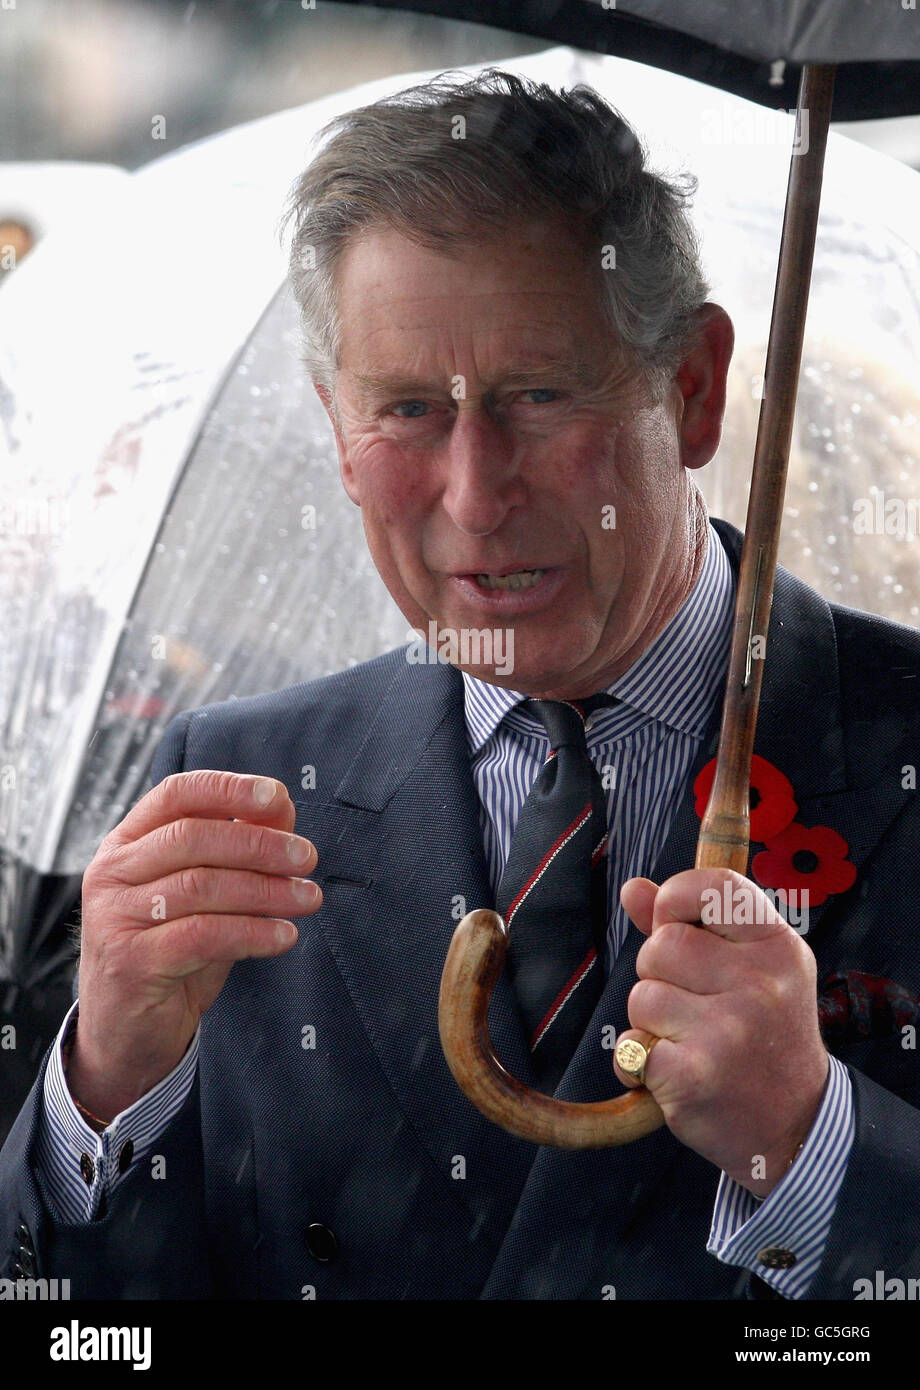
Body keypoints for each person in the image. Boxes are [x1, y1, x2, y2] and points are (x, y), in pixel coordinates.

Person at [2, 69, 918, 1301]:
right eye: (407, 411)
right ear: (334, 428)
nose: (475, 496)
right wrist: (103, 1086)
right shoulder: (233, 793)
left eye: (539, 396)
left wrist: (816, 1147)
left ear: (691, 389)